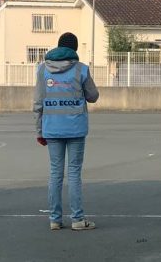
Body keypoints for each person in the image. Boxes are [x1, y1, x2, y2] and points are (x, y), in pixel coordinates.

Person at [33, 32, 99, 231]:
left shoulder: (43, 69)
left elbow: (38, 102)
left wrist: (39, 130)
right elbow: (93, 96)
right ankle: (78, 219)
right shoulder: (81, 69)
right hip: (76, 128)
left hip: (51, 128)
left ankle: (55, 219)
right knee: (74, 173)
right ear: (75, 49)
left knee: (55, 174)